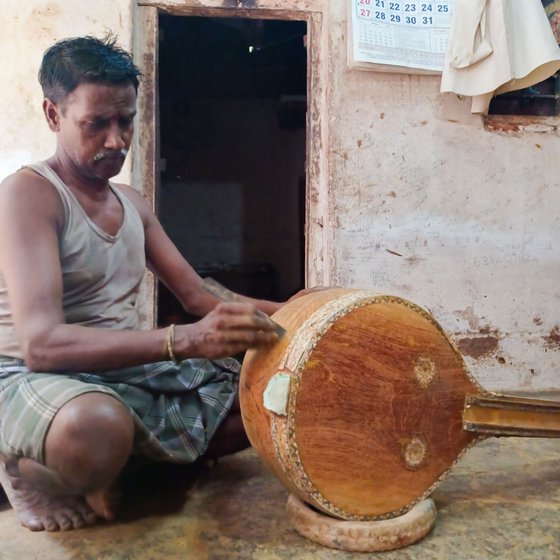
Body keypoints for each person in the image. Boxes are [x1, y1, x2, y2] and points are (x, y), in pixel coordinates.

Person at [0, 35, 289, 532]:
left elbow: (199, 295)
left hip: (121, 371)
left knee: (267, 405)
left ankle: (116, 471)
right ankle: (24, 472)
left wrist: (306, 309)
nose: (116, 140)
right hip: (30, 376)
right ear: (53, 115)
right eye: (96, 124)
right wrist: (181, 341)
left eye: (126, 120)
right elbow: (42, 346)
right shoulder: (29, 194)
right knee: (95, 427)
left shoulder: (132, 202)